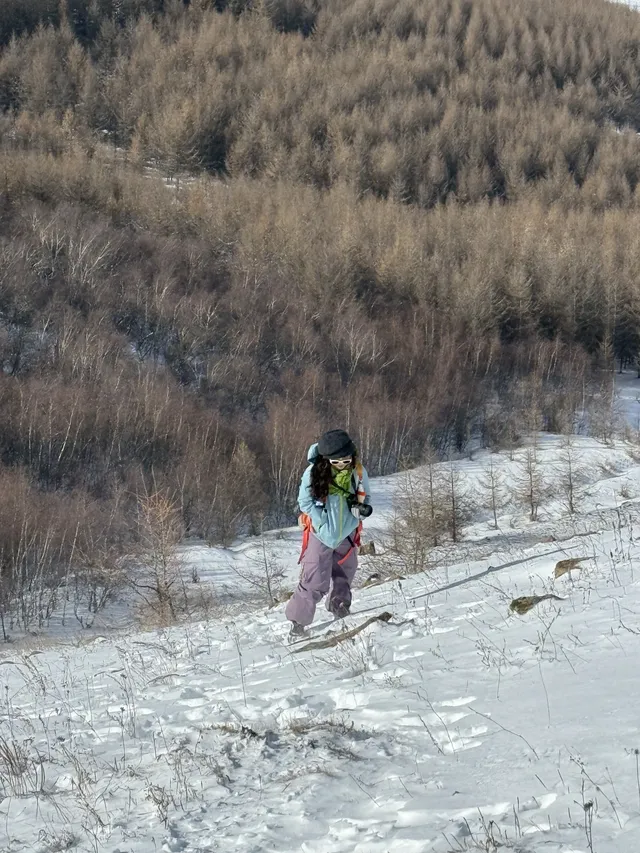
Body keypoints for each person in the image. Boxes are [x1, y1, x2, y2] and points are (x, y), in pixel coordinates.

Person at [285, 429, 372, 640]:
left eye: (346, 460)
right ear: (326, 459)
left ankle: (339, 605)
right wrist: (321, 521)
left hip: (347, 532)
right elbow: (304, 502)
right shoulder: (313, 473)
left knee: (345, 572)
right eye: (336, 462)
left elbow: (365, 497)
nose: (342, 464)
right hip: (320, 534)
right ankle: (298, 622)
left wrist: (359, 513)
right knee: (314, 577)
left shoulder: (358, 472)